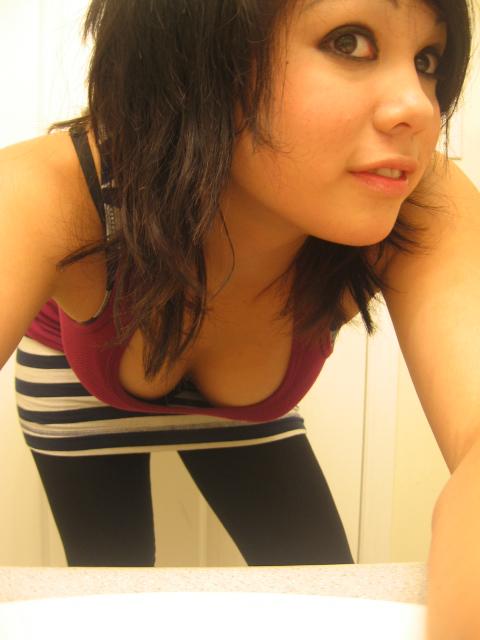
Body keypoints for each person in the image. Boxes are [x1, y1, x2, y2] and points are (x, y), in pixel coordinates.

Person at [0, 0, 478, 618]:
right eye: (349, 42)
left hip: (248, 412)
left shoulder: (415, 200)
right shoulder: (52, 189)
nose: (419, 106)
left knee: (320, 590)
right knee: (106, 596)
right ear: (193, 54)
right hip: (73, 381)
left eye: (427, 60)